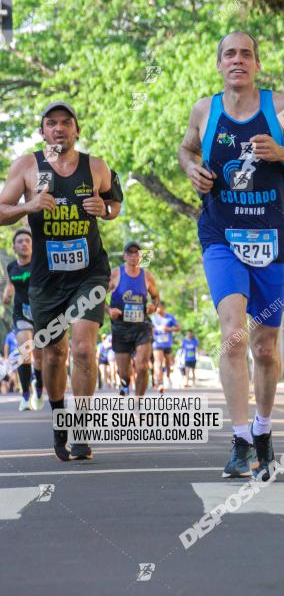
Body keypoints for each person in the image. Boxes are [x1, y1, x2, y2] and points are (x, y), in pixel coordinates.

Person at [178, 30, 284, 479]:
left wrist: (281, 152)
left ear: (256, 64)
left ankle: (263, 429)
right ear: (219, 64)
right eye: (229, 54)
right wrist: (193, 171)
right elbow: (186, 149)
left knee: (264, 347)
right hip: (221, 235)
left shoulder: (281, 107)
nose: (237, 60)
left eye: (246, 54)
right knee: (234, 335)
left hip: (271, 238)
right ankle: (240, 440)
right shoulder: (205, 110)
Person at [0, 100, 123, 461]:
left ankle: (83, 426)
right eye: (51, 123)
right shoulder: (26, 166)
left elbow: (115, 202)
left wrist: (107, 211)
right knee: (53, 353)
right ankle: (59, 418)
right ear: (42, 131)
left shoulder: (95, 166)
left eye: (65, 123)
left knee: (83, 347)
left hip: (89, 272)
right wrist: (28, 206)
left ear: (76, 130)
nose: (58, 129)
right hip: (46, 278)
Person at [107, 241, 159, 397]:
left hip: (141, 326)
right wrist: (109, 310)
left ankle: (138, 401)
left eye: (137, 253)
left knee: (142, 366)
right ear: (125, 256)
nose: (134, 256)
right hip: (121, 327)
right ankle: (124, 384)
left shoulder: (147, 276)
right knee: (124, 372)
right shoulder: (115, 274)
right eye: (130, 253)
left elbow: (156, 297)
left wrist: (153, 306)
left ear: (140, 256)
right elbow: (97, 296)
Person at [2, 228, 44, 410]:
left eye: (27, 240)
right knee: (25, 351)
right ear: (14, 247)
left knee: (40, 359)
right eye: (20, 241)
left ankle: (39, 385)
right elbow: (10, 284)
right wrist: (7, 295)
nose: (24, 244)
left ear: (32, 245)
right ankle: (26, 393)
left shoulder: (40, 264)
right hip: (21, 313)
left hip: (42, 313)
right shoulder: (11, 267)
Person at [152, 302, 180, 392]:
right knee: (158, 362)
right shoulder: (153, 318)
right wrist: (153, 330)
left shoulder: (170, 317)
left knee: (168, 363)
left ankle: (168, 377)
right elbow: (148, 328)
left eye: (159, 308)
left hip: (167, 343)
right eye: (156, 308)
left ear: (163, 307)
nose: (157, 310)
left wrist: (169, 329)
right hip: (157, 343)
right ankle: (159, 382)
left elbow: (178, 328)